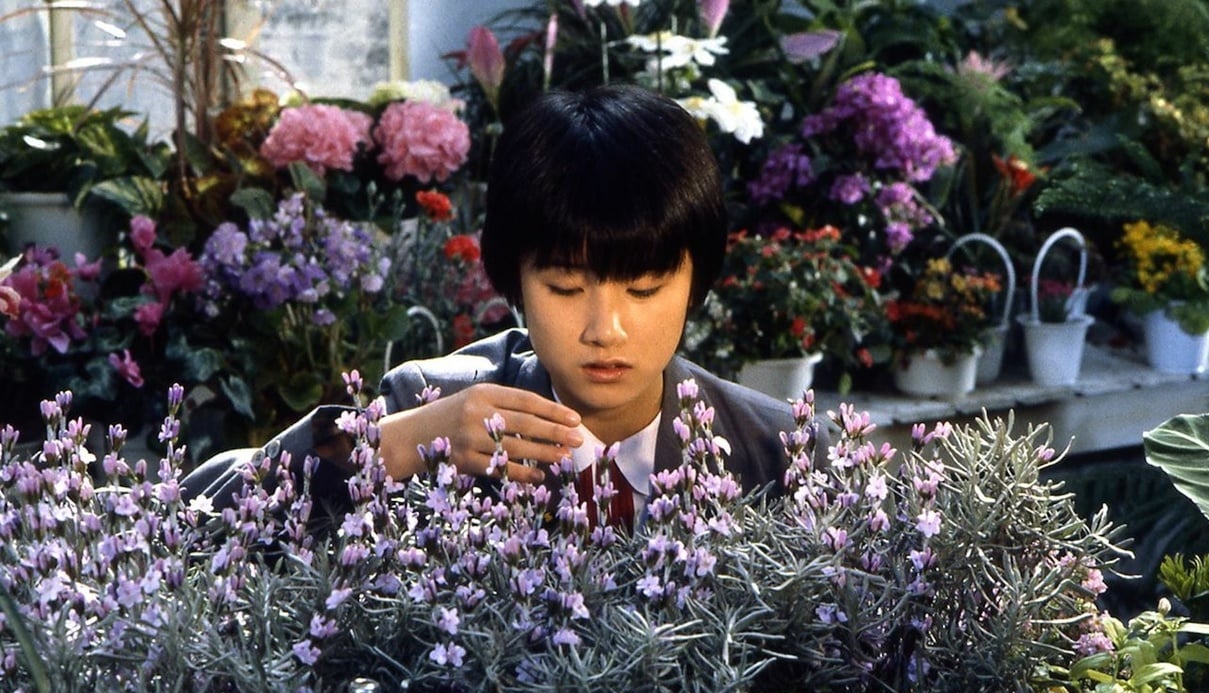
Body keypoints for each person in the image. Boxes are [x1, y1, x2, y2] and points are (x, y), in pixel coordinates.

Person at [181, 83, 828, 525]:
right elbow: (190, 523)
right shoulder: (433, 407)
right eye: (567, 289)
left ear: (698, 282)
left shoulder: (781, 451)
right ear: (513, 281)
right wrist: (396, 446)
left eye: (644, 288)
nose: (607, 329)